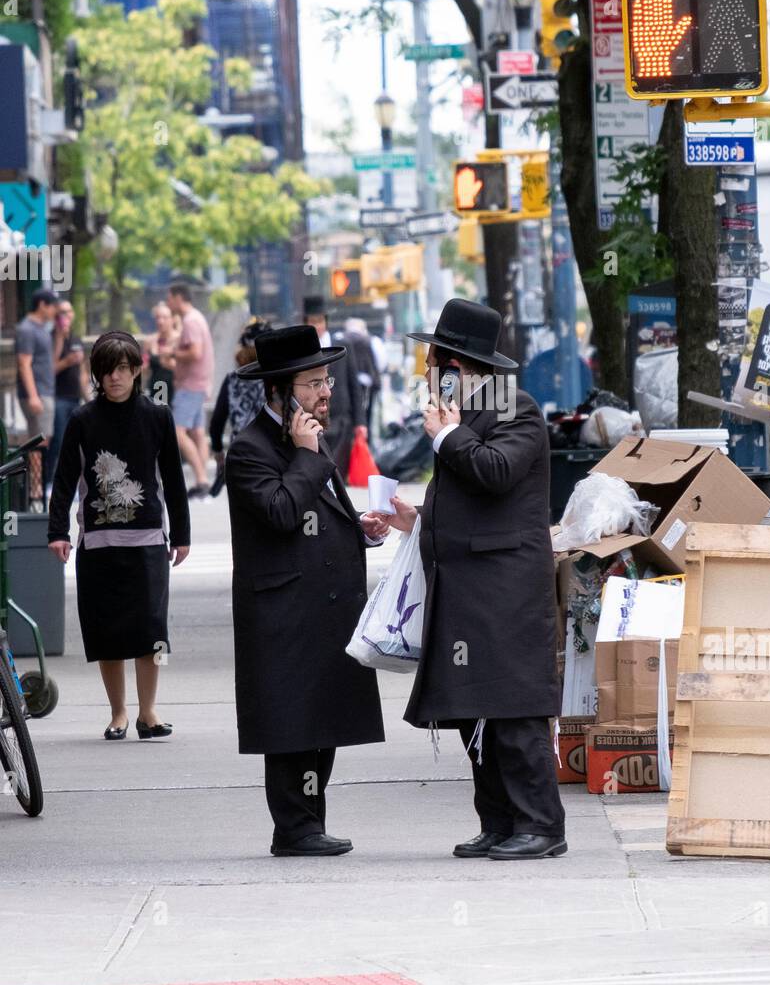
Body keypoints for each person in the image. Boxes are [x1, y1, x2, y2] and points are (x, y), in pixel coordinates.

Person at [378, 299, 566, 861]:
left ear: (459, 366)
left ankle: (541, 825)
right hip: (462, 586)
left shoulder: (518, 410)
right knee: (473, 711)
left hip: (505, 588)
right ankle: (500, 821)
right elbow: (465, 494)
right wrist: (418, 521)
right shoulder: (461, 417)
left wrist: (445, 438)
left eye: (433, 362)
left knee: (512, 710)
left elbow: (496, 472)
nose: (427, 374)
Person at [224, 325, 386, 857]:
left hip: (324, 604)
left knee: (323, 716)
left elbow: (314, 506)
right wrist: (305, 454)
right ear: (279, 390)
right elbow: (280, 511)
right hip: (282, 610)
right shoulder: (249, 448)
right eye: (313, 382)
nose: (325, 391)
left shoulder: (307, 439)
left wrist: (354, 524)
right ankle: (294, 828)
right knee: (292, 722)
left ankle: (309, 824)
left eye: (327, 380)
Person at [47, 330, 190, 740]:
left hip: (147, 541)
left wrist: (181, 534)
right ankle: (118, 713)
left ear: (137, 371)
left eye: (123, 369)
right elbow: (64, 478)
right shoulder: (82, 420)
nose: (115, 378)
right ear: (97, 375)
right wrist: (58, 531)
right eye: (107, 371)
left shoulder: (157, 417)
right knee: (106, 632)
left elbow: (175, 482)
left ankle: (148, 713)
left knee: (151, 631)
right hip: (98, 542)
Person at [302, 296, 364, 473]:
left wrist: (361, 422)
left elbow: (354, 385)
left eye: (320, 321)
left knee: (338, 472)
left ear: (326, 322)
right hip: (314, 419)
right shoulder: (303, 351)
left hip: (342, 419)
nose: (317, 326)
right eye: (312, 322)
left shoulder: (342, 345)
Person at [209, 319, 271, 493]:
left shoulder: (232, 381)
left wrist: (219, 453)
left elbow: (216, 423)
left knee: (242, 515)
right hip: (272, 457)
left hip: (240, 456)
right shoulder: (278, 379)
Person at [166, 282, 215, 499]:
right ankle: (202, 481)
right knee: (197, 433)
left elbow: (195, 352)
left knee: (177, 432)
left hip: (191, 385)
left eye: (170, 298)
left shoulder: (191, 320)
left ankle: (202, 479)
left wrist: (173, 353)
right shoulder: (196, 318)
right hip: (197, 383)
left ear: (178, 298)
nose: (168, 303)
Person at [16, 287, 59, 503]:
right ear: (42, 304)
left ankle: (38, 487)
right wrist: (33, 396)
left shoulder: (43, 329)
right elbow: (24, 363)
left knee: (44, 441)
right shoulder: (26, 329)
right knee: (38, 442)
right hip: (37, 394)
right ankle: (35, 491)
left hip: (45, 392)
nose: (55, 311)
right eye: (53, 306)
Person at [47, 300, 87, 483]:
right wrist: (67, 360)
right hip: (58, 397)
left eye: (68, 312)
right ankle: (48, 480)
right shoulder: (50, 338)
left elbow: (83, 370)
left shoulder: (76, 338)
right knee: (59, 442)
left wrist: (87, 396)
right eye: (61, 313)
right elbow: (49, 370)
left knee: (78, 443)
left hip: (75, 397)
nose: (65, 316)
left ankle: (74, 482)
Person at [345, 317, 382, 435]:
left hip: (347, 384)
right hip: (367, 383)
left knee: (350, 415)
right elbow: (380, 362)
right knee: (367, 416)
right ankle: (366, 443)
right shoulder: (371, 340)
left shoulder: (342, 340)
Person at [146, 300, 179, 407]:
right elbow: (145, 368)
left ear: (173, 319)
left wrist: (167, 358)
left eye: (165, 318)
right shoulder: (150, 341)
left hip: (175, 392)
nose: (161, 321)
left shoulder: (179, 339)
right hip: (156, 390)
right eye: (158, 318)